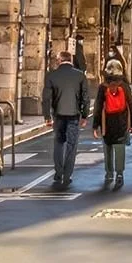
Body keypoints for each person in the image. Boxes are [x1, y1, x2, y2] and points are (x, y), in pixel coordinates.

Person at [44, 50, 90, 189]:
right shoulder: (80, 76)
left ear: (59, 60)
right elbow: (85, 98)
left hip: (58, 115)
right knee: (72, 145)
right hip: (74, 115)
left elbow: (46, 98)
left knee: (58, 143)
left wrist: (47, 116)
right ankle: (68, 174)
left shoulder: (52, 75)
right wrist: (85, 115)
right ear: (71, 60)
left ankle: (58, 172)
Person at [94, 58, 132, 191]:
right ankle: (120, 173)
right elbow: (131, 105)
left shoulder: (103, 87)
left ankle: (108, 173)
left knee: (107, 147)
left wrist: (95, 126)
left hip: (107, 123)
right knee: (120, 148)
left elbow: (97, 106)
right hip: (122, 122)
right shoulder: (124, 86)